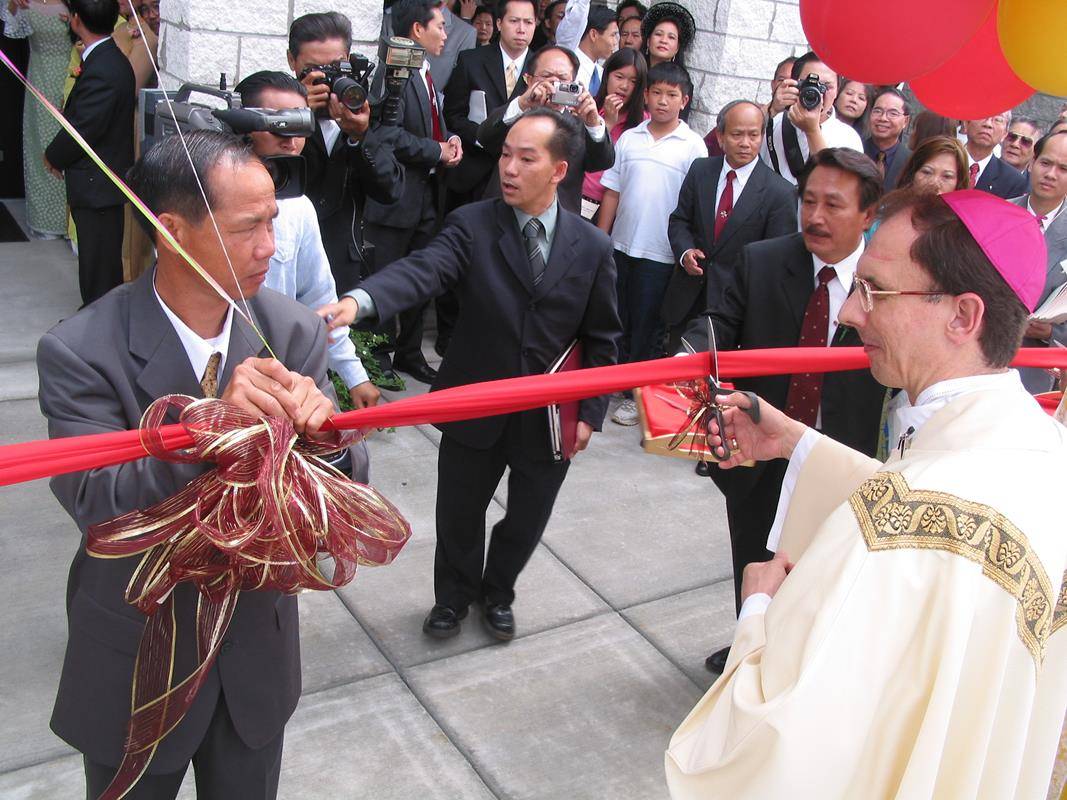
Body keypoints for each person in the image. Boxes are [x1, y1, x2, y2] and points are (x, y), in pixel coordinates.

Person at [665, 189, 1067, 800]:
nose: (851, 312)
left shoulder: (895, 525)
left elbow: (776, 749)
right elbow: (951, 515)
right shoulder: (1041, 449)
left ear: (963, 316)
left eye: (874, 290)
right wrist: (799, 443)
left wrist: (758, 615)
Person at [38, 130, 347, 800]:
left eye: (273, 221)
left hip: (253, 653)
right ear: (170, 229)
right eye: (246, 229)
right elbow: (98, 502)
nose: (270, 247)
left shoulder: (292, 331)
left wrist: (327, 439)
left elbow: (335, 504)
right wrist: (210, 429)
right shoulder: (83, 350)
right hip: (136, 648)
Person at [322, 109, 621, 641]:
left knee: (526, 521)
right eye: (505, 153)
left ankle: (497, 592)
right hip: (474, 402)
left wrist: (590, 413)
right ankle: (453, 600)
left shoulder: (592, 247)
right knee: (459, 514)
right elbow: (425, 269)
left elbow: (603, 338)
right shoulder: (473, 225)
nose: (508, 167)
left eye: (525, 158)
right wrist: (361, 301)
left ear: (558, 169)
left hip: (549, 416)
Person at [684, 147, 886, 674]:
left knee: (825, 569)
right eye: (808, 201)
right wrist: (688, 368)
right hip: (758, 452)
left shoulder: (883, 284)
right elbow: (716, 336)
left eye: (834, 205)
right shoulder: (763, 259)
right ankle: (747, 647)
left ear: (868, 214)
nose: (815, 217)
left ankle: (802, 665)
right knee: (752, 557)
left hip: (840, 455)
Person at [234, 70, 380, 423]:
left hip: (285, 381)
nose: (290, 139)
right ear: (244, 125)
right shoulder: (205, 202)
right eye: (278, 124)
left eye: (300, 125)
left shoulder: (298, 207)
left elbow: (319, 300)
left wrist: (353, 374)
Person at [597, 62, 706, 426]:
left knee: (648, 325)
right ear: (645, 96)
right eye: (656, 93)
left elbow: (693, 205)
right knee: (617, 317)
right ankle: (613, 380)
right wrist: (601, 238)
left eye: (671, 95)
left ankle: (635, 393)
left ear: (684, 100)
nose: (662, 101)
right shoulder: (630, 138)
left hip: (661, 254)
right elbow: (612, 191)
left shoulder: (693, 147)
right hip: (621, 246)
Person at [363, 0, 464, 386]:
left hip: (426, 198)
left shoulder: (427, 73)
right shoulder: (393, 72)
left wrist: (447, 142)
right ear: (417, 30)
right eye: (440, 26)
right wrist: (435, 150)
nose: (446, 34)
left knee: (423, 279)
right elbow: (386, 134)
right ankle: (378, 359)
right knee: (387, 280)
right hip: (395, 200)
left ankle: (409, 353)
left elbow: (427, 128)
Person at [663, 99, 797, 362]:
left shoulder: (779, 193)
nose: (745, 143)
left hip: (734, 308)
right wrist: (685, 251)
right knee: (675, 371)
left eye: (753, 135)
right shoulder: (702, 170)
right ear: (721, 136)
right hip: (688, 296)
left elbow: (776, 260)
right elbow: (679, 220)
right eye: (737, 135)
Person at [286, 12, 403, 294]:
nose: (327, 79)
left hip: (343, 268)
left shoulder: (364, 109)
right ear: (292, 61)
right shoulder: (277, 107)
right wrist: (296, 115)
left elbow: (391, 190)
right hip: (286, 261)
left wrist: (359, 136)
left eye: (335, 67)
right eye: (314, 69)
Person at [44, 0, 133, 306]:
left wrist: (54, 156)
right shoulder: (106, 58)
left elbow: (83, 128)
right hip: (101, 185)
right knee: (98, 261)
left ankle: (98, 325)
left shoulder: (104, 67)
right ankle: (98, 320)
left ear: (77, 20)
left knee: (99, 265)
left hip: (99, 185)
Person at [477, 44, 615, 214]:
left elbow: (603, 162)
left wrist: (593, 124)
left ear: (574, 82)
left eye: (562, 78)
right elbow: (485, 138)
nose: (554, 83)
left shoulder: (581, 122)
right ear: (528, 79)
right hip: (503, 212)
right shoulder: (516, 112)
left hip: (558, 219)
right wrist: (522, 104)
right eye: (546, 76)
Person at [442, 0, 535, 209]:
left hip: (521, 178)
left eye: (528, 22)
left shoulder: (539, 67)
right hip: (471, 173)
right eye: (514, 21)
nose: (521, 29)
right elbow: (452, 114)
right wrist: (482, 137)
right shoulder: (471, 60)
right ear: (500, 23)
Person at [2, 0, 72, 240]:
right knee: (40, 145)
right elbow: (10, 27)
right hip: (39, 77)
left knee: (68, 145)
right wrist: (13, 4)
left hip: (71, 72)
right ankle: (45, 221)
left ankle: (70, 223)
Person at [1009, 131, 1067, 393]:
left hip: (1038, 371)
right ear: (1032, 162)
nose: (1051, 174)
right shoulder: (999, 214)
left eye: (1063, 168)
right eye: (1046, 163)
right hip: (980, 355)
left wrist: (1052, 334)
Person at [760, 51, 863, 187]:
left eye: (827, 86)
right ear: (795, 84)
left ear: (838, 90)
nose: (818, 92)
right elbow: (737, 136)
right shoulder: (774, 121)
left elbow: (838, 185)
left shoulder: (848, 136)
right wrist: (771, 109)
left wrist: (812, 131)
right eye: (809, 84)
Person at [580, 46, 648, 220]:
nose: (624, 86)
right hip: (577, 199)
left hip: (613, 209)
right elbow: (581, 155)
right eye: (619, 77)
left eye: (633, 81)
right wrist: (607, 124)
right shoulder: (588, 108)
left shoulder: (644, 123)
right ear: (607, 75)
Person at [962, 112, 1029, 199]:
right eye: (982, 116)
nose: (988, 124)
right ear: (966, 123)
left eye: (998, 119)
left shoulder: (1013, 181)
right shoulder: (942, 160)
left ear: (1004, 134)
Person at [862, 87, 911, 192]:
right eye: (877, 111)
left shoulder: (912, 162)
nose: (883, 118)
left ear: (906, 121)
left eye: (893, 113)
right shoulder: (855, 149)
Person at [894, 135, 969, 195]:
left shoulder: (964, 214)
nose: (934, 183)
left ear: (959, 183)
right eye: (927, 172)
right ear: (912, 174)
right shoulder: (890, 211)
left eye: (947, 176)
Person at [568, 4, 618, 93]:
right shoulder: (567, 67)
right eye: (613, 35)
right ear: (593, 35)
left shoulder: (602, 73)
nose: (615, 42)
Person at [640, 1, 694, 69]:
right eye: (658, 34)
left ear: (677, 47)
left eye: (671, 37)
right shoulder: (632, 75)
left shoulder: (681, 79)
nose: (663, 40)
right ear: (648, 41)